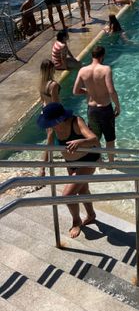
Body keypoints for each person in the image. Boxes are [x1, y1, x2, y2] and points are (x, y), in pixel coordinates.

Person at [38, 102, 99, 238]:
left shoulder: (76, 122)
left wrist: (80, 142)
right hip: (71, 163)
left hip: (87, 161)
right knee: (82, 190)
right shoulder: (52, 129)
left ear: (58, 119)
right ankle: (91, 215)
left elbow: (94, 139)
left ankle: (76, 221)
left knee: (67, 195)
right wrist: (42, 169)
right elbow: (48, 148)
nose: (48, 124)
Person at [73, 45, 121, 163]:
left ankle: (99, 161)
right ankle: (111, 163)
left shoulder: (83, 70)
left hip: (92, 109)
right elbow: (111, 90)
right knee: (109, 138)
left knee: (94, 138)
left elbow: (75, 91)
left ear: (92, 56)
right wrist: (117, 106)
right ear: (102, 56)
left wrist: (87, 91)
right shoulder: (106, 69)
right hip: (105, 109)